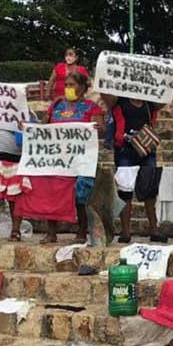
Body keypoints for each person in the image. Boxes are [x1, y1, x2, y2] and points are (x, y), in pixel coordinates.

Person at [42, 71, 105, 243]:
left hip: (81, 158)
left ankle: (81, 230)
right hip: (57, 158)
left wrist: (97, 129)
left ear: (83, 87)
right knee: (54, 192)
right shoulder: (57, 106)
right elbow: (44, 127)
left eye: (72, 85)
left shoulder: (92, 107)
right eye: (67, 85)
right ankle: (51, 232)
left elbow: (101, 129)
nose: (68, 88)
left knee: (80, 194)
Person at [100, 94, 163, 244]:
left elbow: (163, 99)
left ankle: (154, 229)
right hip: (125, 150)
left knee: (150, 190)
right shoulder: (118, 101)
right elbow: (105, 93)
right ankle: (126, 231)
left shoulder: (149, 102)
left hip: (146, 149)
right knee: (125, 191)